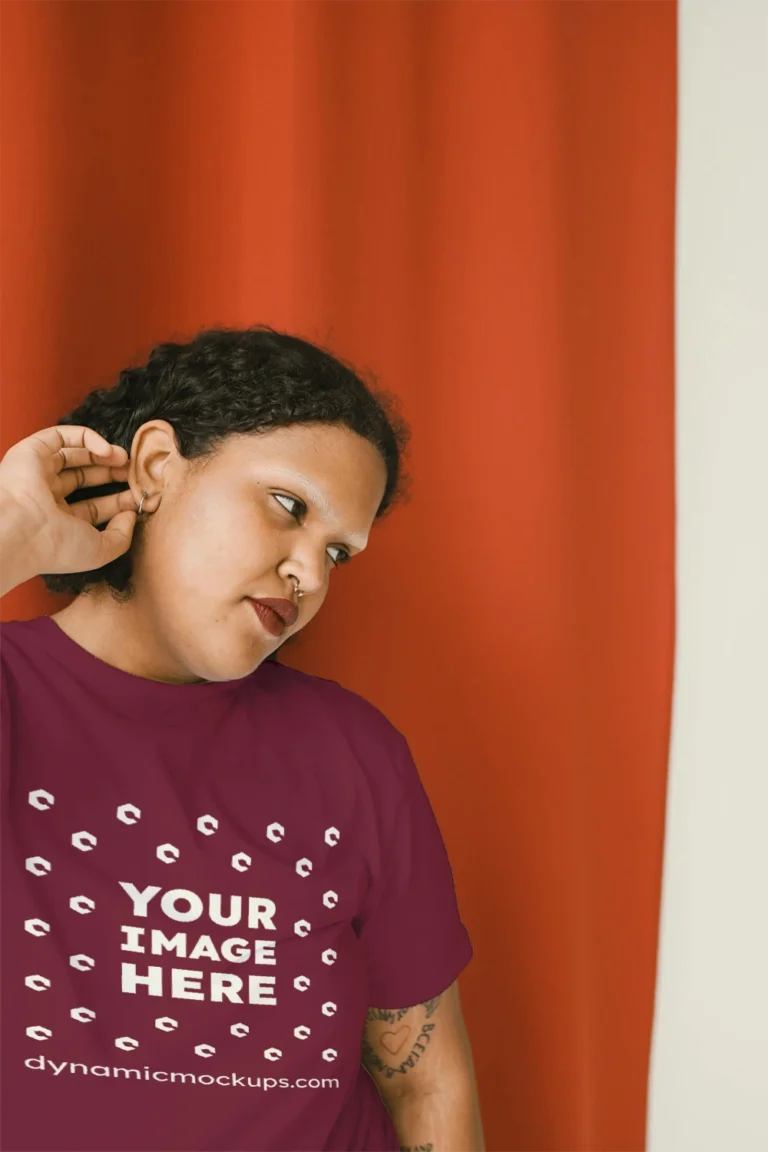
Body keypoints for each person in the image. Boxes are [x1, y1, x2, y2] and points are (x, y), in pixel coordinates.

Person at [0, 327, 483, 1152]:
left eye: (338, 552)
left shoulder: (354, 752)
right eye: (288, 507)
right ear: (157, 467)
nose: (311, 575)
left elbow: (427, 1080)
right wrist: (13, 524)